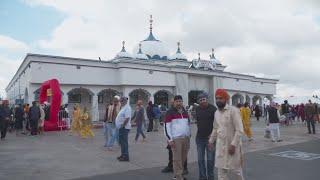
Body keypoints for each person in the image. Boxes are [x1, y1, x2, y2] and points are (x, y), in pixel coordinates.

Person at [209, 89, 244, 180]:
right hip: (220, 147)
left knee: (236, 172)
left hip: (232, 146)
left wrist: (233, 144)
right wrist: (211, 141)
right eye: (216, 98)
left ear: (226, 99)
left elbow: (239, 130)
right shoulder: (216, 113)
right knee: (221, 173)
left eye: (220, 98)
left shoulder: (233, 111)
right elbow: (215, 128)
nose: (218, 100)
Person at [164, 95, 191, 180]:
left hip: (186, 138)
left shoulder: (185, 112)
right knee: (177, 158)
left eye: (180, 101)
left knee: (183, 157)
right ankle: (178, 177)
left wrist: (189, 134)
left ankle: (178, 174)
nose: (179, 103)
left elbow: (188, 124)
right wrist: (170, 139)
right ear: (174, 102)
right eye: (177, 101)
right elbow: (166, 126)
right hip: (176, 139)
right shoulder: (170, 112)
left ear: (182, 102)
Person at [195, 93, 216, 180]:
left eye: (204, 99)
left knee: (210, 160)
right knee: (200, 160)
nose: (202, 101)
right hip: (199, 138)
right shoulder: (197, 109)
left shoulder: (213, 109)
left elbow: (217, 124)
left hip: (210, 139)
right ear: (198, 101)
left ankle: (211, 177)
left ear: (207, 99)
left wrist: (213, 135)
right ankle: (202, 177)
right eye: (200, 100)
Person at [115, 97, 132, 162]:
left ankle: (126, 156)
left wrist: (122, 126)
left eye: (121, 101)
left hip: (124, 128)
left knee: (124, 142)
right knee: (121, 142)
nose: (120, 102)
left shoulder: (127, 108)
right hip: (121, 128)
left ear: (124, 101)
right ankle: (123, 155)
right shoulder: (123, 107)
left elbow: (127, 118)